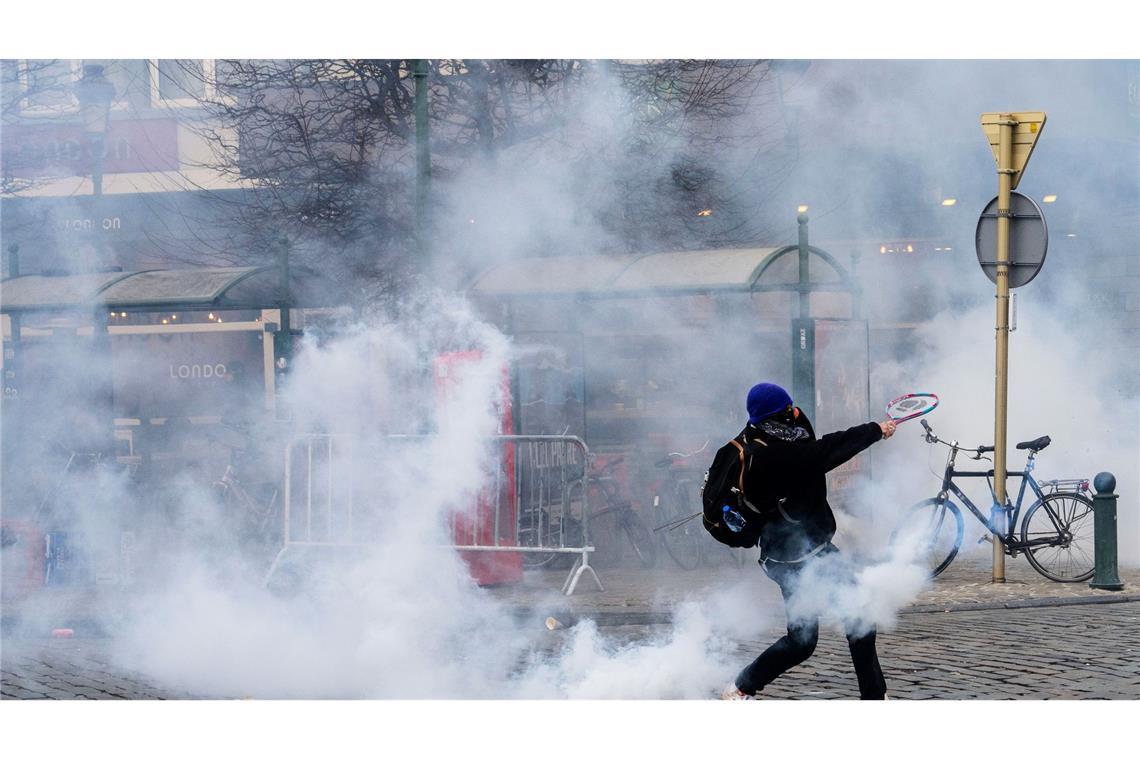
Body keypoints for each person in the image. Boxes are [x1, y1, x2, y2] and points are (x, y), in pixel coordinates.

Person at [721, 382, 896, 700]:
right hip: (801, 557)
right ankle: (874, 698)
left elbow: (812, 446)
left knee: (802, 642)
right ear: (780, 415)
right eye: (790, 409)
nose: (796, 413)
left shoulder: (761, 438)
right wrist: (875, 430)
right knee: (859, 613)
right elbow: (828, 449)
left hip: (786, 555)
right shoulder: (777, 455)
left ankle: (740, 688)